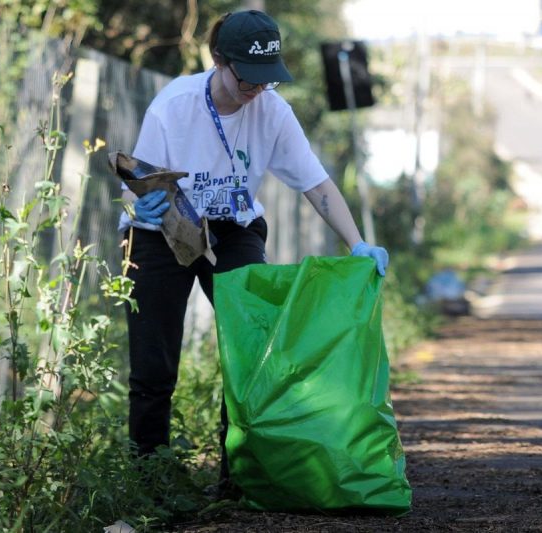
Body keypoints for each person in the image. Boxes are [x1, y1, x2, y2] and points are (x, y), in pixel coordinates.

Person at [119, 9, 388, 488]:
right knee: (153, 364)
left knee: (250, 352)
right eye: (248, 79)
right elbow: (135, 180)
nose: (257, 90)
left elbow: (316, 183)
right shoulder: (173, 105)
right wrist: (141, 207)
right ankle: (148, 482)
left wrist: (358, 242)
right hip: (163, 233)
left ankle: (237, 478)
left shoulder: (273, 111)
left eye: (268, 80)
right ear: (219, 60)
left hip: (233, 228)